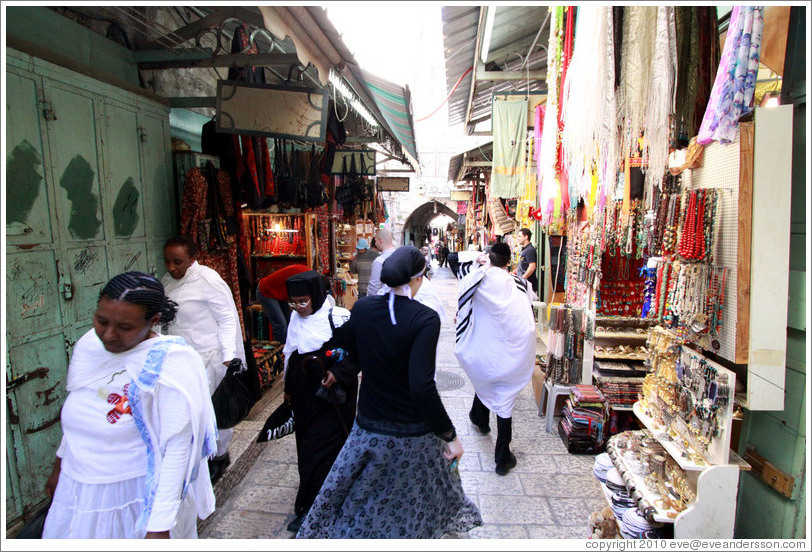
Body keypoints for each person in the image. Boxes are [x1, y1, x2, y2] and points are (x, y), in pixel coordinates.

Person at [297, 247, 482, 539]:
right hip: (413, 435)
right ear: (418, 278)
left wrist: (335, 368)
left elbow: (351, 352)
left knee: (364, 499)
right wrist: (450, 435)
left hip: (369, 427)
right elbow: (421, 386)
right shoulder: (425, 319)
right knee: (416, 501)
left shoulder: (363, 308)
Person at [42, 272, 218, 539]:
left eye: (125, 328)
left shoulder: (171, 364)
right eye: (102, 321)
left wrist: (158, 527)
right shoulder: (91, 345)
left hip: (132, 497)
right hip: (76, 487)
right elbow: (83, 407)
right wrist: (59, 465)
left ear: (153, 321)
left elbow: (178, 449)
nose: (109, 335)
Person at [161, 236, 246, 483]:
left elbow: (227, 318)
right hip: (181, 358)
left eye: (178, 262)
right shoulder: (167, 282)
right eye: (168, 262)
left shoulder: (208, 280)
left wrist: (229, 356)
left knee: (215, 410)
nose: (172, 268)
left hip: (210, 358)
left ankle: (219, 456)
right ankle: (194, 457)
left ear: (192, 259)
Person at [281, 270, 357, 533]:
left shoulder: (339, 318)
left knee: (325, 454)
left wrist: (337, 373)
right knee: (307, 452)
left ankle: (321, 508)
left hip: (332, 400)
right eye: (294, 302)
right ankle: (308, 506)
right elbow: (290, 352)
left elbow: (355, 355)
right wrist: (287, 389)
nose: (299, 307)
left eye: (303, 301)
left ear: (315, 295)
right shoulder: (295, 318)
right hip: (305, 398)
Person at [454, 242, 537, 476]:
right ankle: (501, 456)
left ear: (489, 258)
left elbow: (454, 262)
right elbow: (529, 303)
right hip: (511, 353)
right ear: (509, 262)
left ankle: (480, 420)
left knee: (487, 381)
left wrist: (478, 262)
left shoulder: (477, 279)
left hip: (484, 350)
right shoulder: (521, 284)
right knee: (504, 397)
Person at [256, 264, 310, 343]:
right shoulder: (305, 278)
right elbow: (296, 299)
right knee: (280, 325)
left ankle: (289, 346)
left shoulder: (308, 275)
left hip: (278, 291)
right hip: (266, 291)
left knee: (289, 322)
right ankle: (282, 351)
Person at [365, 228, 396, 297]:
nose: (375, 243)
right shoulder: (400, 256)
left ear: (380, 241)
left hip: (384, 301)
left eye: (376, 241)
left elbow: (374, 287)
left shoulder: (379, 261)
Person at [515, 227, 538, 291]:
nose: (518, 238)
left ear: (526, 237)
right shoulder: (525, 250)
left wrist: (523, 278)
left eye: (519, 236)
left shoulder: (529, 250)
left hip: (528, 284)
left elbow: (532, 266)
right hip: (523, 284)